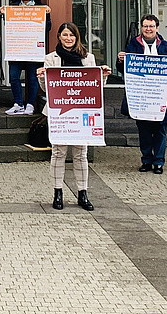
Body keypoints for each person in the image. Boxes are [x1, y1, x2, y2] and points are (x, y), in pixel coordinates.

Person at [37, 22, 111, 212]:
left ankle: (83, 193)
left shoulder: (88, 58)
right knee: (58, 153)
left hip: (81, 113)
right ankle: (58, 192)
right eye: (65, 35)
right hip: (59, 113)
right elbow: (47, 90)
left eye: (72, 35)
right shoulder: (50, 58)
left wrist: (102, 76)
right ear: (59, 37)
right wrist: (41, 77)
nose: (68, 38)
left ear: (77, 37)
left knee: (80, 154)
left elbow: (95, 88)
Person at [116, 14, 167, 174]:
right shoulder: (132, 45)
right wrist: (120, 60)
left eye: (151, 26)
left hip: (161, 97)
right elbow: (123, 69)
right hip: (141, 97)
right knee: (144, 131)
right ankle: (146, 160)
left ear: (157, 28)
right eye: (145, 26)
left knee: (160, 130)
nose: (148, 29)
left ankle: (159, 162)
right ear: (141, 28)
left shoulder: (166, 47)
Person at [0, 0, 52, 115]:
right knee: (14, 77)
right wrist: (3, 14)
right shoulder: (13, 7)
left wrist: (47, 14)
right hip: (17, 48)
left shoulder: (40, 7)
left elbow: (48, 28)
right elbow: (10, 27)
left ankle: (30, 105)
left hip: (33, 48)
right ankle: (18, 104)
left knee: (33, 78)